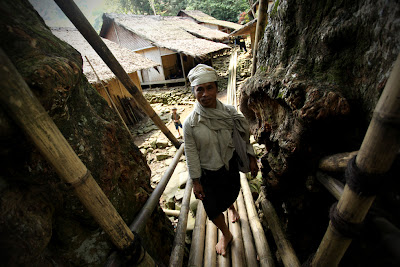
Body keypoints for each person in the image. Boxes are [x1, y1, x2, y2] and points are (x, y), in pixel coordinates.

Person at [183, 64, 258, 256]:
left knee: (231, 193)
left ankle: (231, 207)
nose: (205, 94)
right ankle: (226, 234)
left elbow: (243, 135)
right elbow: (191, 153)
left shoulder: (229, 114)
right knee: (212, 208)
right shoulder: (190, 124)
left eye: (210, 88)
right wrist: (196, 181)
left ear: (217, 89)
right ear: (194, 92)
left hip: (228, 166)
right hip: (207, 173)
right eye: (200, 89)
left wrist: (251, 157)